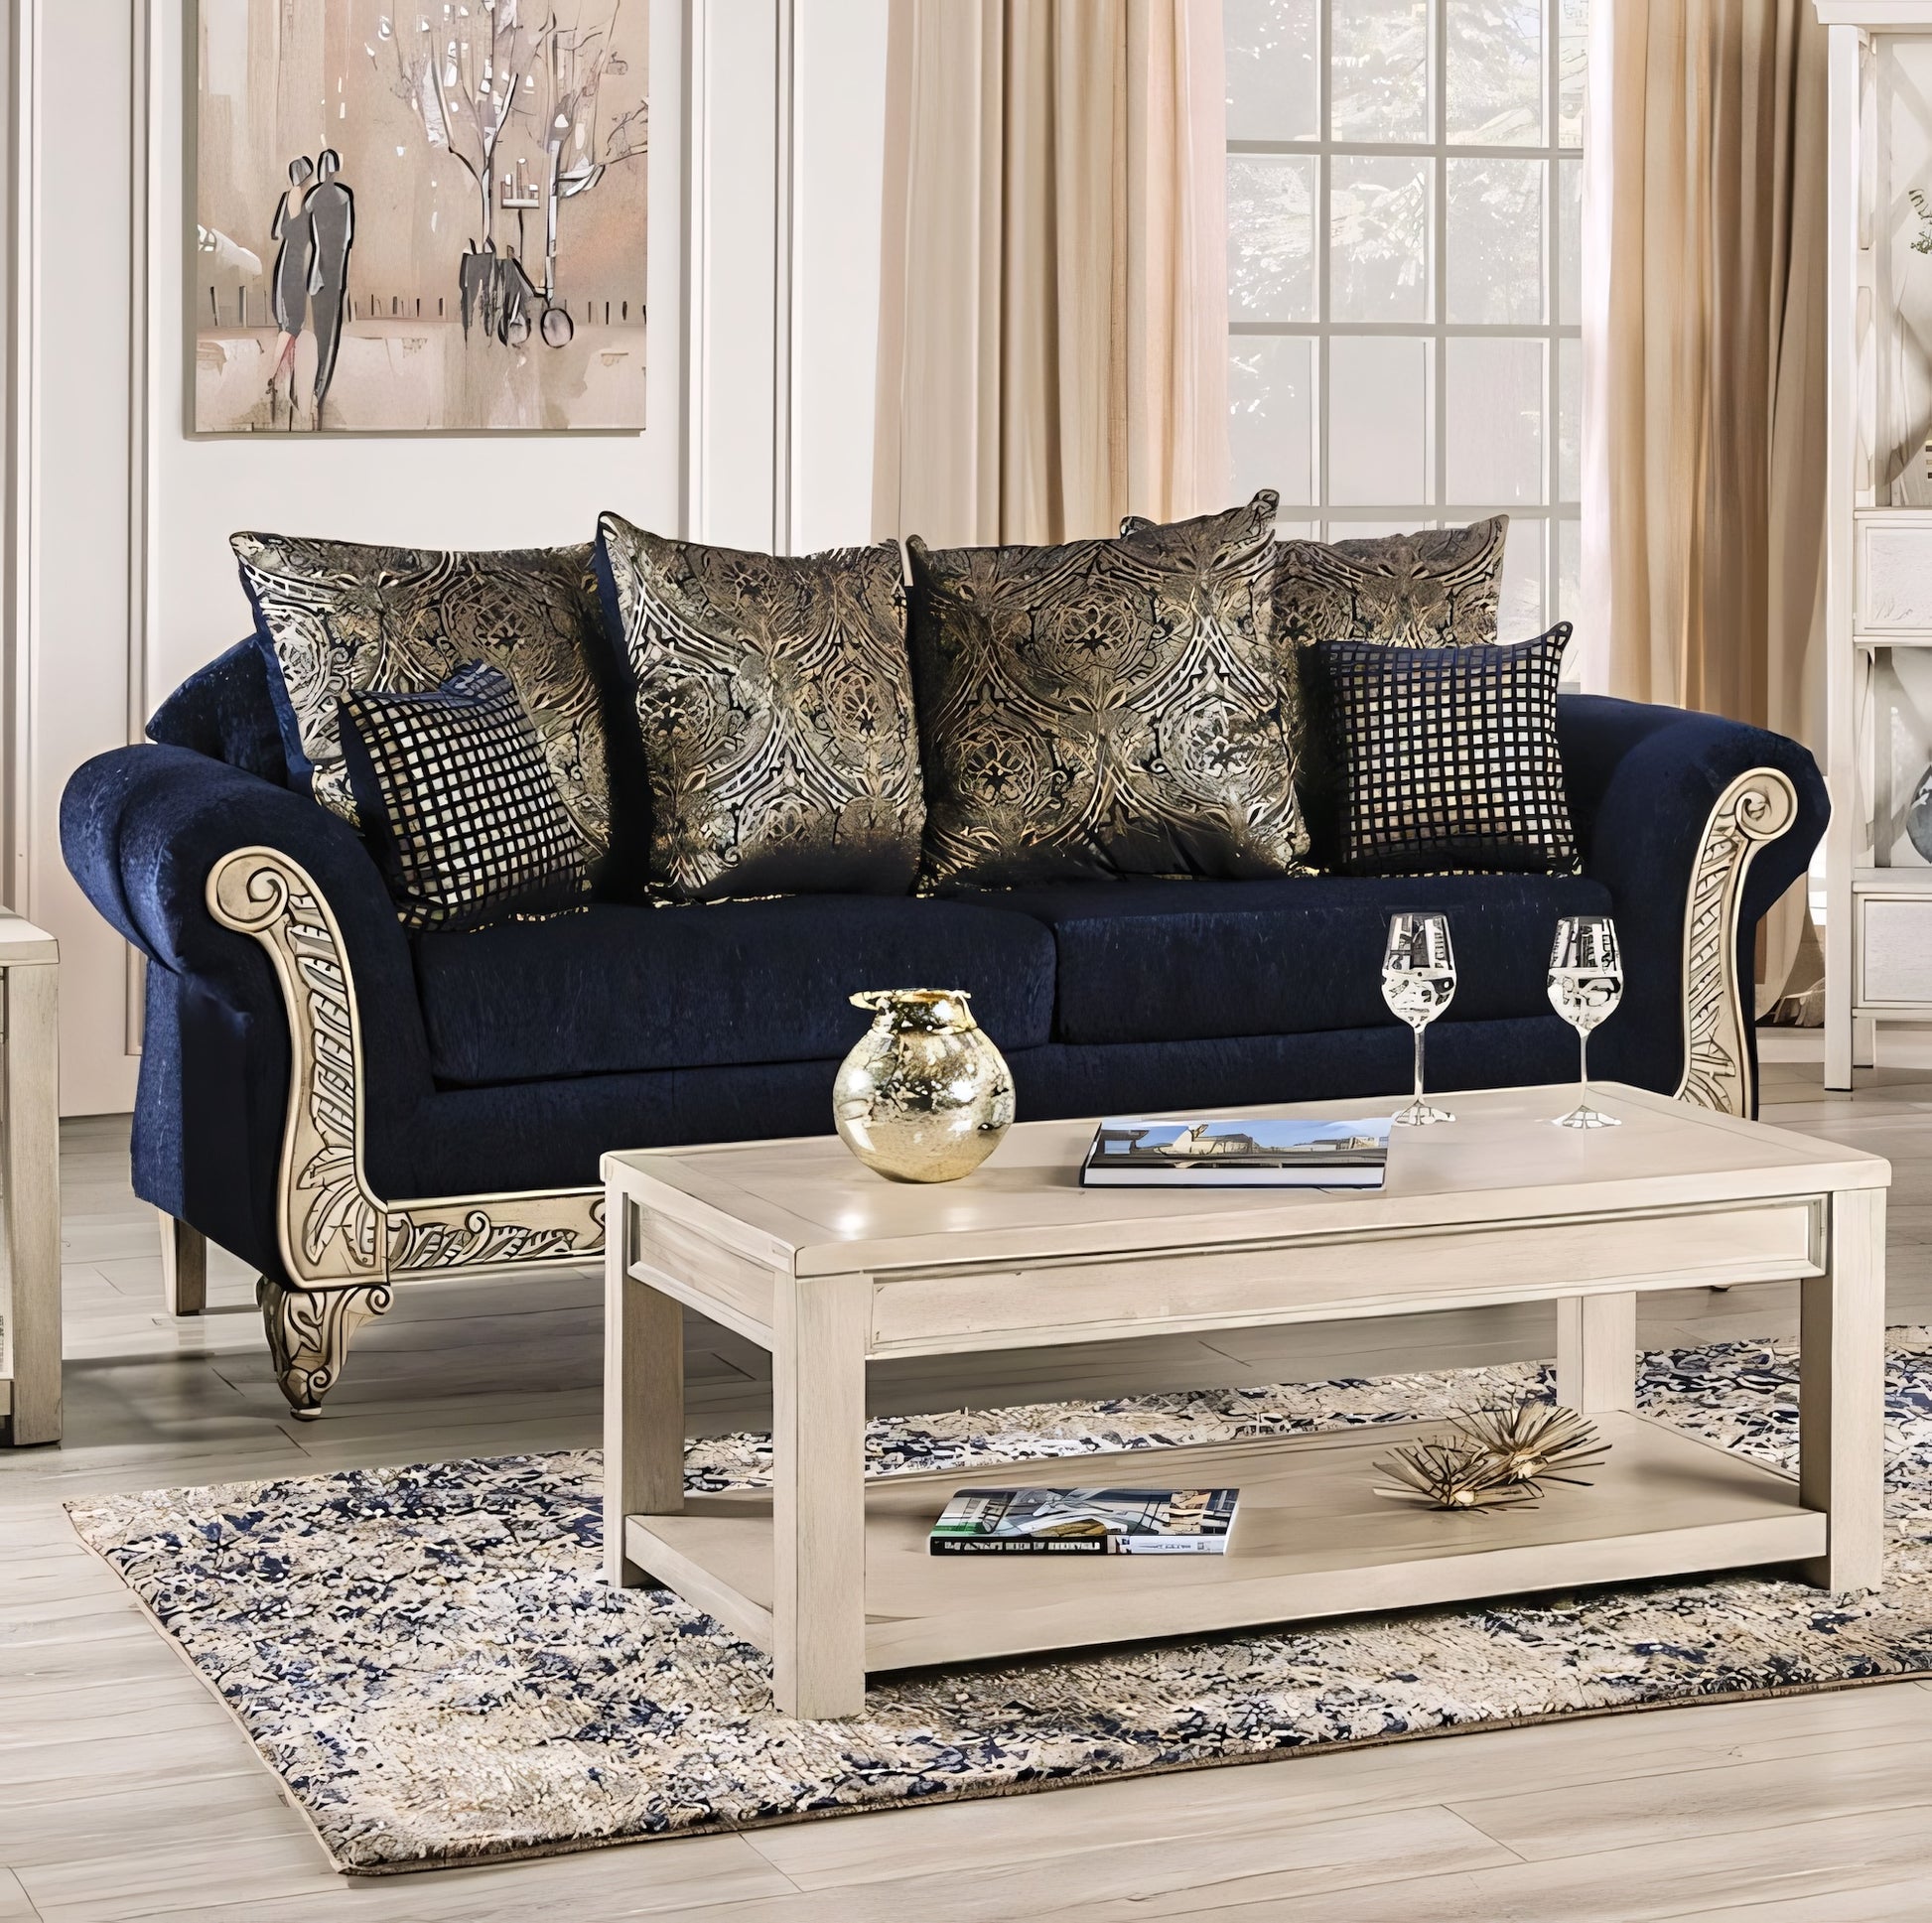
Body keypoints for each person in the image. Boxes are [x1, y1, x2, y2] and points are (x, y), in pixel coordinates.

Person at [305, 151, 355, 421]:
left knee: (320, 329)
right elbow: (347, 239)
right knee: (331, 330)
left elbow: (312, 238)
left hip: (319, 270)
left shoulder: (312, 198)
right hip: (336, 270)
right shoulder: (345, 196)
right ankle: (322, 384)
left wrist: (315, 269)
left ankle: (318, 384)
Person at [266, 155, 316, 410]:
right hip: (296, 266)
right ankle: (274, 377)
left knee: (288, 324)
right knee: (292, 324)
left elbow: (276, 231)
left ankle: (284, 386)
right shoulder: (305, 199)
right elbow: (306, 235)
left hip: (283, 264)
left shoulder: (286, 196)